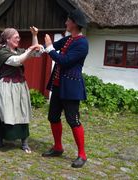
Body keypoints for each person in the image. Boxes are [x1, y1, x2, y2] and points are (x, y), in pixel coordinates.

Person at [41, 9, 89, 168]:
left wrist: (49, 48)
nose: (66, 23)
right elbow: (50, 47)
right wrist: (39, 45)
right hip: (58, 85)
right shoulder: (68, 39)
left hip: (71, 87)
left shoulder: (82, 43)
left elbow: (65, 60)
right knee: (53, 117)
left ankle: (82, 154)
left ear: (74, 23)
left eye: (68, 20)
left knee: (73, 120)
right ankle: (58, 147)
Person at [0, 27, 41, 153]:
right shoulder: (2, 53)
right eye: (16, 37)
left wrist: (34, 36)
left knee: (21, 110)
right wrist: (30, 50)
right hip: (6, 86)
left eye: (19, 37)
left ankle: (24, 141)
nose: (19, 39)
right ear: (8, 39)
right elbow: (17, 61)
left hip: (20, 85)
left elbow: (37, 53)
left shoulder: (19, 50)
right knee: (4, 111)